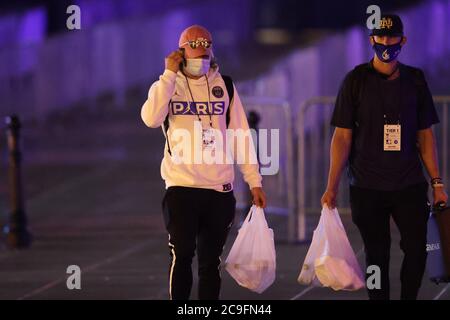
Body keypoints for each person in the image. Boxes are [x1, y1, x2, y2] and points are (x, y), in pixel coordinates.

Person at [321, 14, 448, 300]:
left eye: (392, 38)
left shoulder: (415, 80)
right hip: (367, 187)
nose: (386, 43)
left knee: (417, 251)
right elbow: (341, 136)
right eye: (381, 37)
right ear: (372, 40)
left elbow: (425, 135)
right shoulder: (355, 80)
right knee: (376, 257)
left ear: (403, 40)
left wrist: (437, 183)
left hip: (409, 184)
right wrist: (331, 187)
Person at [140, 25, 267, 300]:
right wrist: (168, 74)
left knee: (210, 263)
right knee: (182, 255)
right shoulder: (167, 84)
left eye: (206, 56)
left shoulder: (226, 86)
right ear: (181, 54)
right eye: (196, 55)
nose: (201, 62)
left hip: (219, 189)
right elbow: (150, 118)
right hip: (181, 187)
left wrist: (254, 182)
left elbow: (241, 136)